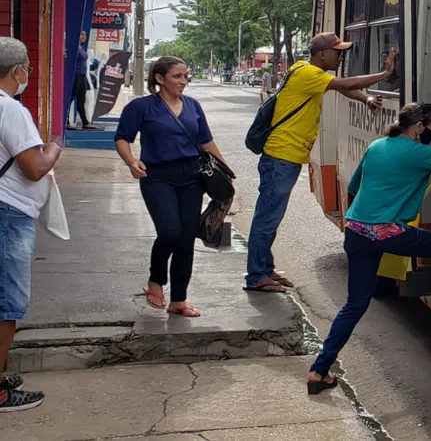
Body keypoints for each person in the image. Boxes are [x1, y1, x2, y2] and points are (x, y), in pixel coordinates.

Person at [306, 103, 431, 395]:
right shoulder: (418, 152)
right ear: (420, 127)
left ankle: (318, 371)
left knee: (354, 305)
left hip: (356, 231)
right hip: (387, 232)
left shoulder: (376, 146)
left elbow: (354, 186)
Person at [244, 33, 397, 293]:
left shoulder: (306, 70)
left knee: (270, 216)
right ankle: (257, 275)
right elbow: (343, 83)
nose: (341, 57)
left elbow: (341, 88)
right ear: (321, 54)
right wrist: (384, 74)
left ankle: (265, 268)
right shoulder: (307, 74)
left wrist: (366, 99)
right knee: (267, 218)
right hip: (282, 157)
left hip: (285, 157)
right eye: (337, 52)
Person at [115, 56, 231, 318]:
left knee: (186, 239)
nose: (183, 82)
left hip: (192, 178)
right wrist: (132, 162)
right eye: (177, 76)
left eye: (186, 76)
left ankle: (179, 300)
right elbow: (122, 138)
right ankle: (156, 279)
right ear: (159, 78)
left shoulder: (193, 106)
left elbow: (206, 142)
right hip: (157, 177)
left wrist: (226, 172)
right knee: (169, 232)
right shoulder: (141, 107)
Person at [0, 37, 62, 412]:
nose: (28, 74)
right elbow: (35, 167)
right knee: (8, 302)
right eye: (27, 67)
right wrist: (54, 147)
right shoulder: (10, 110)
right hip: (9, 212)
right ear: (17, 71)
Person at [68, 31, 100, 131]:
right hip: (76, 75)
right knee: (70, 98)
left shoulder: (81, 48)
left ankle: (85, 122)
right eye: (81, 34)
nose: (83, 37)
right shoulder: (73, 47)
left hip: (82, 75)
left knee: (82, 99)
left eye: (85, 35)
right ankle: (66, 122)